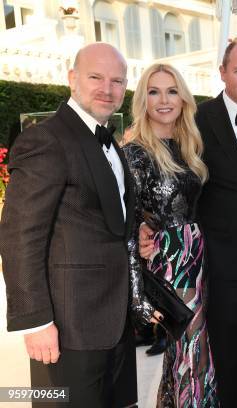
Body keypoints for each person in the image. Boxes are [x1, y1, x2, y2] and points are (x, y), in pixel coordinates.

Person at [139, 38, 237, 408]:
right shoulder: (197, 120)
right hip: (219, 261)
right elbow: (165, 173)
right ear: (222, 72)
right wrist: (145, 223)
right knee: (222, 351)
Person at [0, 43, 137, 407]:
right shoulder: (47, 138)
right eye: (95, 77)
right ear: (72, 78)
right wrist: (36, 322)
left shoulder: (110, 142)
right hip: (68, 328)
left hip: (114, 320)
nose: (107, 89)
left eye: (117, 81)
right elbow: (19, 235)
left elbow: (101, 218)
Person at [122, 63, 218, 407]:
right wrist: (142, 232)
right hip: (170, 260)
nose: (164, 100)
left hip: (198, 254)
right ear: (143, 100)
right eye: (154, 91)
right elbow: (127, 218)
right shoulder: (136, 152)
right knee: (189, 346)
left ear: (183, 99)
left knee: (196, 347)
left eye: (172, 91)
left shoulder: (189, 144)